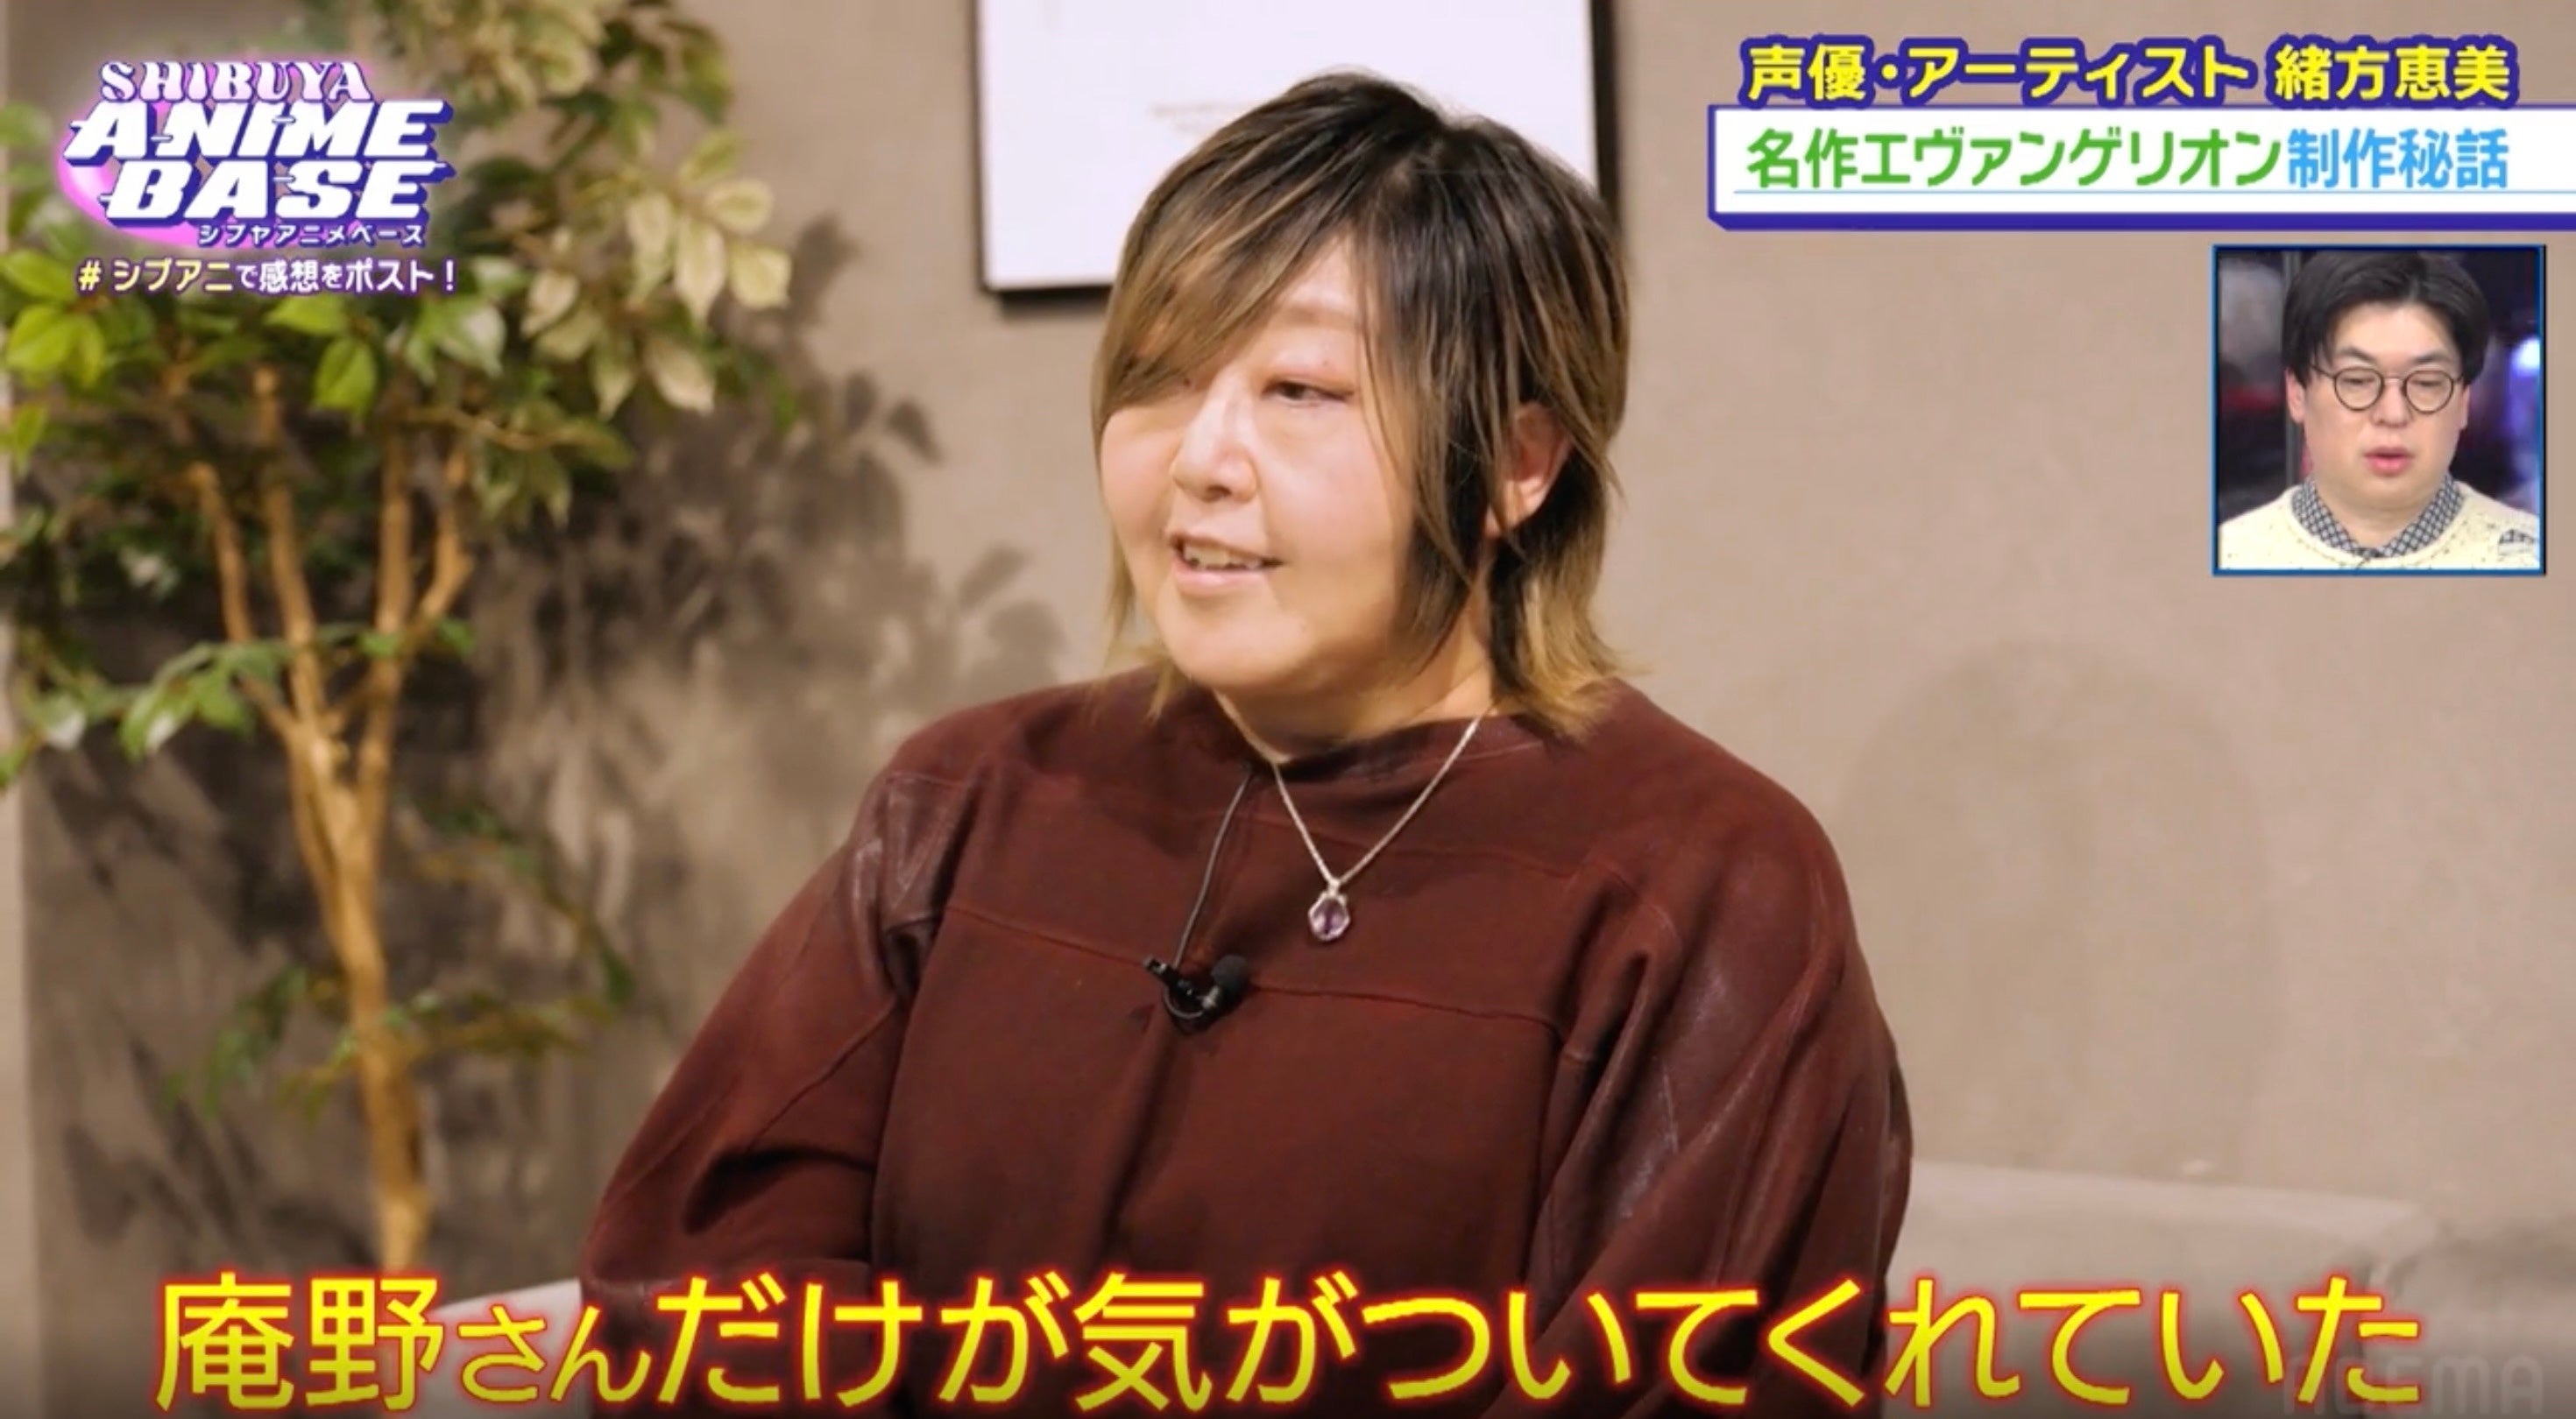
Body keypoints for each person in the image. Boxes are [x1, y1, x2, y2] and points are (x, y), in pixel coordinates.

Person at [577, 72, 1911, 1417]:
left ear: (1517, 464)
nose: (1200, 457)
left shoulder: (1705, 885)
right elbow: (694, 1288)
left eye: (1300, 390)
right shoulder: (967, 801)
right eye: (1159, 378)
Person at [2219, 249, 2541, 570]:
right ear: (2297, 393)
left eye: (2426, 382)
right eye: (2357, 381)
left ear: (2463, 401)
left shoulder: (2532, 558)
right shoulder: (2229, 556)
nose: (2393, 414)